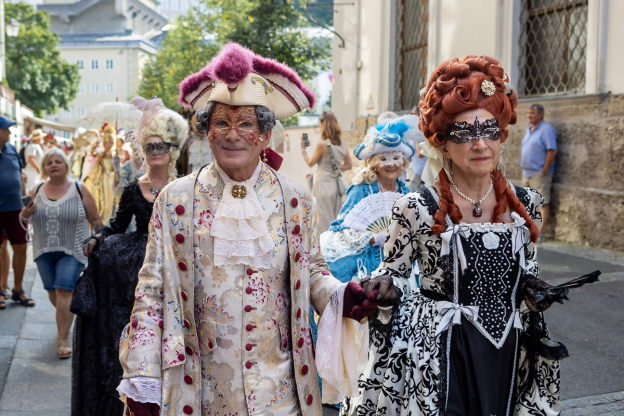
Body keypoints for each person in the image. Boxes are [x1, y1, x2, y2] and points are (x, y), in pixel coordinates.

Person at [117, 42, 387, 416]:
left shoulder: (296, 200)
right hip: (198, 394)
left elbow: (313, 275)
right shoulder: (174, 199)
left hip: (282, 395)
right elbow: (151, 293)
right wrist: (143, 378)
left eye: (245, 123)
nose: (233, 135)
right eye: (221, 123)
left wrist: (346, 297)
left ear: (264, 134)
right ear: (207, 133)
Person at [342, 56, 566, 416]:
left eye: (489, 130)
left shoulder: (525, 202)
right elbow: (394, 272)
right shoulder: (416, 207)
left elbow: (526, 268)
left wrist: (531, 287)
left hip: (509, 352)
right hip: (442, 356)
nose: (480, 144)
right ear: (442, 142)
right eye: (465, 133)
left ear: (501, 134)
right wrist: (383, 285)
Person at [73, 97, 187, 416]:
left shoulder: (185, 188)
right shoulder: (135, 189)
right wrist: (98, 239)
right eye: (149, 147)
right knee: (137, 333)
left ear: (171, 149)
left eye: (161, 146)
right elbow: (116, 226)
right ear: (143, 151)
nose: (155, 152)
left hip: (176, 266)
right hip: (135, 271)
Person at [19, 148, 103, 357]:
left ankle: (63, 339)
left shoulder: (79, 188)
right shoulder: (37, 189)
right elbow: (23, 219)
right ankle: (69, 319)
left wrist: (98, 239)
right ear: (44, 168)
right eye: (49, 162)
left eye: (58, 161)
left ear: (66, 165)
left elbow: (96, 220)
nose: (54, 165)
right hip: (43, 249)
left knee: (64, 291)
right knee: (53, 293)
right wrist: (26, 213)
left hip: (73, 249)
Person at [320, 116, 415, 283]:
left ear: (403, 162)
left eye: (396, 158)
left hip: (400, 269)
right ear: (373, 163)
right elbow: (340, 230)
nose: (391, 164)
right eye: (383, 159)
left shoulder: (406, 193)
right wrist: (374, 238)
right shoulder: (360, 190)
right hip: (368, 269)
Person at [0, 116, 34, 309]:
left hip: (15, 209)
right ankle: (0, 290)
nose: (9, 133)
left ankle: (18, 289)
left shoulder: (12, 149)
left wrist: (25, 201)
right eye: (6, 129)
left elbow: (20, 177)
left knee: (21, 248)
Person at [301, 111, 352, 232]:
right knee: (335, 220)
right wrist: (335, 167)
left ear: (325, 124)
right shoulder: (342, 143)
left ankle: (323, 249)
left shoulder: (322, 145)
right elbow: (349, 165)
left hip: (322, 185)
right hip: (336, 187)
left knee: (323, 222)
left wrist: (303, 149)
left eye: (320, 121)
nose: (319, 124)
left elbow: (310, 162)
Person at [521, 103, 557, 243]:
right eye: (528, 113)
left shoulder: (546, 129)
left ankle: (540, 233)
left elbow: (552, 150)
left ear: (540, 114)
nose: (529, 115)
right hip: (527, 172)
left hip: (539, 174)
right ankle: (529, 230)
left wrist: (545, 170)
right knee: (527, 202)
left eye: (532, 113)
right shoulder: (529, 129)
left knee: (542, 202)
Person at [84, 125, 116, 224]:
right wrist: (98, 159)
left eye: (110, 143)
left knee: (112, 204)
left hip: (112, 181)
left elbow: (117, 169)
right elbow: (96, 170)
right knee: (104, 204)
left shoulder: (115, 155)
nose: (109, 145)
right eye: (107, 143)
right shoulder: (100, 155)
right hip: (103, 181)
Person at [177, 107, 213, 175]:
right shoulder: (183, 144)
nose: (201, 127)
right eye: (197, 122)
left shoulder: (216, 143)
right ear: (190, 124)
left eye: (205, 123)